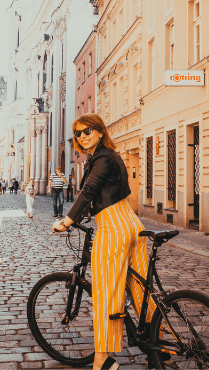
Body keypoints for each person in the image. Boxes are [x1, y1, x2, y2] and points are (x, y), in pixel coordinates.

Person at [52, 114, 153, 370]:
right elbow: (108, 192)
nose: (82, 136)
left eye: (87, 131)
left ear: (99, 131)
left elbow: (89, 191)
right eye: (77, 133)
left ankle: (103, 359)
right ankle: (158, 346)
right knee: (141, 291)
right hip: (132, 226)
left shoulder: (102, 159)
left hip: (113, 229)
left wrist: (67, 221)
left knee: (107, 294)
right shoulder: (112, 156)